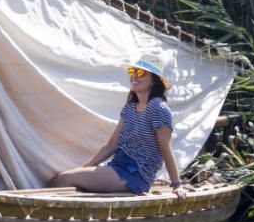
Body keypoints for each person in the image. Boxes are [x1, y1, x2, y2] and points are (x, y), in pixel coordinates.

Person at [50, 60, 187, 199]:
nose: (134, 76)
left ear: (153, 81)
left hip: (136, 175)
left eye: (140, 73)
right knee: (59, 178)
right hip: (117, 167)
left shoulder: (159, 109)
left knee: (64, 180)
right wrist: (84, 167)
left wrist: (177, 184)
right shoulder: (129, 108)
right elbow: (111, 146)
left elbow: (166, 149)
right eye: (132, 72)